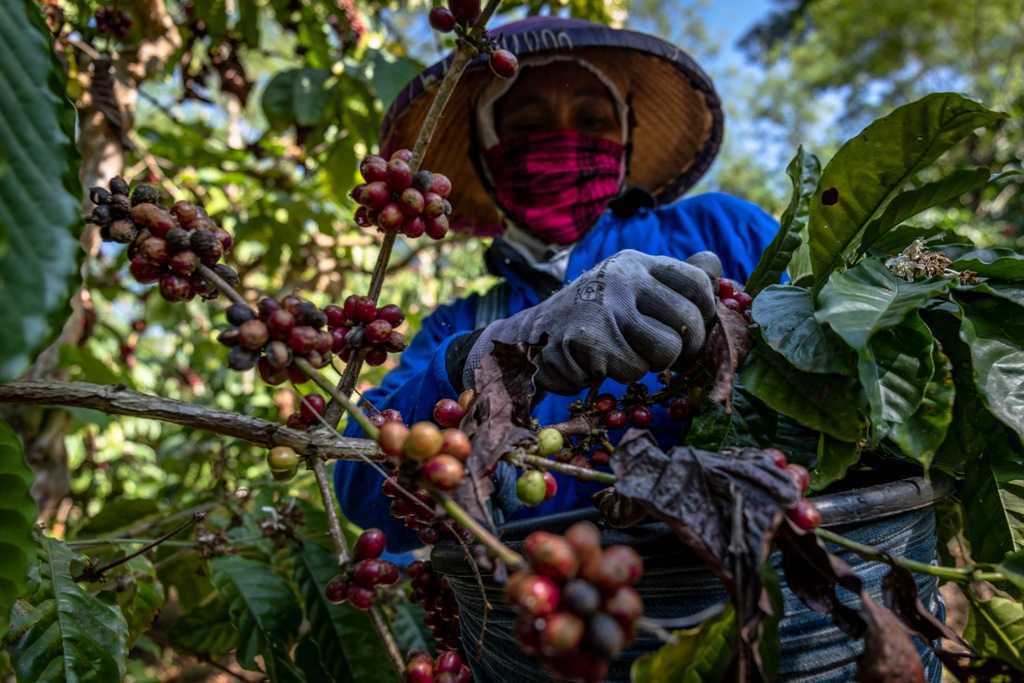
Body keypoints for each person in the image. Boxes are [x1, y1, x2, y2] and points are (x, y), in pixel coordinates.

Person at [335, 17, 779, 552]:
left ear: (625, 140)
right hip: (540, 612)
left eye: (591, 118)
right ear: (486, 155)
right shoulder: (460, 325)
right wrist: (488, 356)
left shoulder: (725, 231)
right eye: (525, 125)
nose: (563, 138)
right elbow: (363, 485)